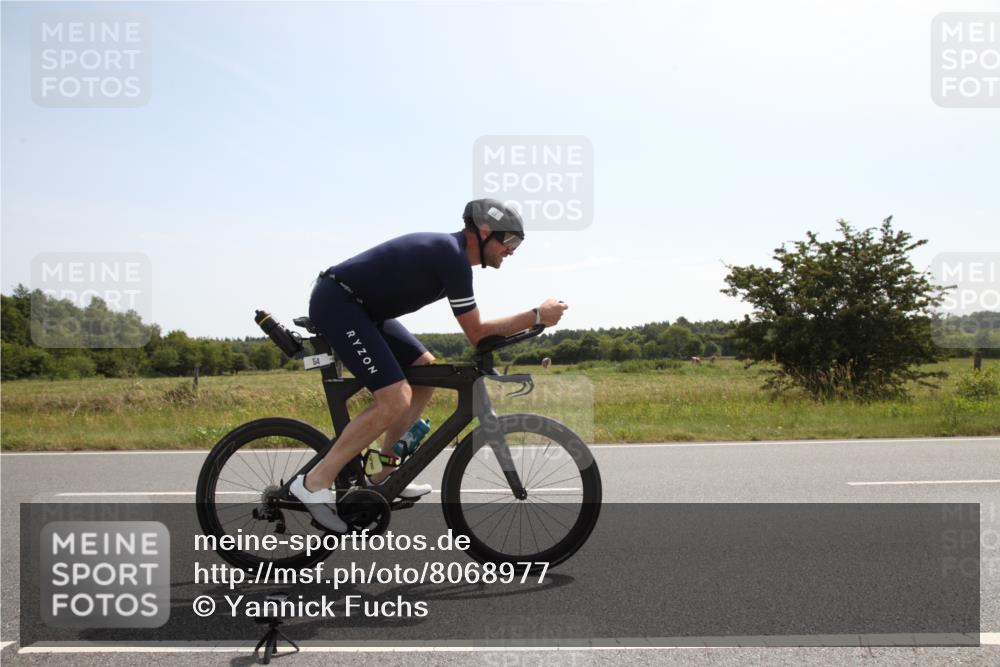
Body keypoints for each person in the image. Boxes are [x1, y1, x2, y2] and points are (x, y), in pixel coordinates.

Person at [290, 198, 568, 532]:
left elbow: (478, 337)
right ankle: (313, 483)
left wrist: (531, 324)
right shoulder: (449, 255)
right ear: (483, 232)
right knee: (395, 398)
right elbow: (477, 333)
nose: (512, 250)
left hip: (363, 310)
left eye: (517, 244)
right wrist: (536, 315)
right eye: (509, 241)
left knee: (425, 373)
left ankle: (381, 475)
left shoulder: (455, 260)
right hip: (338, 302)